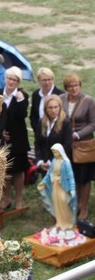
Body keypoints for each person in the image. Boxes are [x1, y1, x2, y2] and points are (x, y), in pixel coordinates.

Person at [60, 72, 95, 221]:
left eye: (76, 85)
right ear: (66, 88)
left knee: (84, 178)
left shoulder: (89, 101)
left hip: (83, 145)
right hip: (67, 145)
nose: (74, 88)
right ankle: (74, 204)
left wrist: (77, 135)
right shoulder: (61, 99)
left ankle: (84, 206)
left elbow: (93, 124)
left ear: (80, 85)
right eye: (70, 86)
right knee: (71, 176)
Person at [0, 66, 30, 211]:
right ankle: (6, 198)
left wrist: (20, 101)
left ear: (18, 82)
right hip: (3, 139)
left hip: (18, 139)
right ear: (5, 79)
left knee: (18, 171)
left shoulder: (22, 96)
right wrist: (0, 132)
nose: (11, 82)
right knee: (5, 171)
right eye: (9, 79)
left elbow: (22, 115)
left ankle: (19, 199)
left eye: (14, 80)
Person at [37, 144, 76, 233]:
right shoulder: (54, 161)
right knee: (56, 203)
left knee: (64, 203)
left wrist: (72, 189)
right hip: (55, 186)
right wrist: (43, 182)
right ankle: (59, 222)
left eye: (56, 152)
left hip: (63, 187)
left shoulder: (66, 163)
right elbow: (49, 173)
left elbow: (70, 176)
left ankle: (67, 223)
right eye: (54, 152)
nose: (55, 154)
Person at [34, 95, 72, 172]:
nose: (53, 110)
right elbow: (38, 143)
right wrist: (40, 161)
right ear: (46, 109)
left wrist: (51, 162)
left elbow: (66, 146)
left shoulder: (65, 123)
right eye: (50, 107)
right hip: (44, 164)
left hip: (60, 165)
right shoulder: (42, 122)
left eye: (55, 107)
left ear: (60, 108)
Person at [30, 67, 64, 134]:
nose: (47, 82)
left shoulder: (60, 94)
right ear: (39, 81)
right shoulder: (36, 94)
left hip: (57, 132)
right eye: (44, 80)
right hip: (40, 132)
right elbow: (33, 115)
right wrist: (37, 130)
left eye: (49, 79)